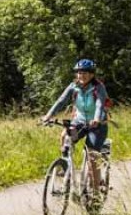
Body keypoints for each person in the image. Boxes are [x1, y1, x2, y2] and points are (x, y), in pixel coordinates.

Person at [41, 59, 109, 194]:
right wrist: (48, 116)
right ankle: (65, 167)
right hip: (80, 121)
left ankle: (95, 193)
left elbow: (100, 105)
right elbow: (61, 101)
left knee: (92, 156)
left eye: (84, 73)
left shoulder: (98, 87)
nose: (81, 75)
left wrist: (96, 119)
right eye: (79, 73)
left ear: (91, 74)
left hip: (97, 125)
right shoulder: (74, 86)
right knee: (65, 136)